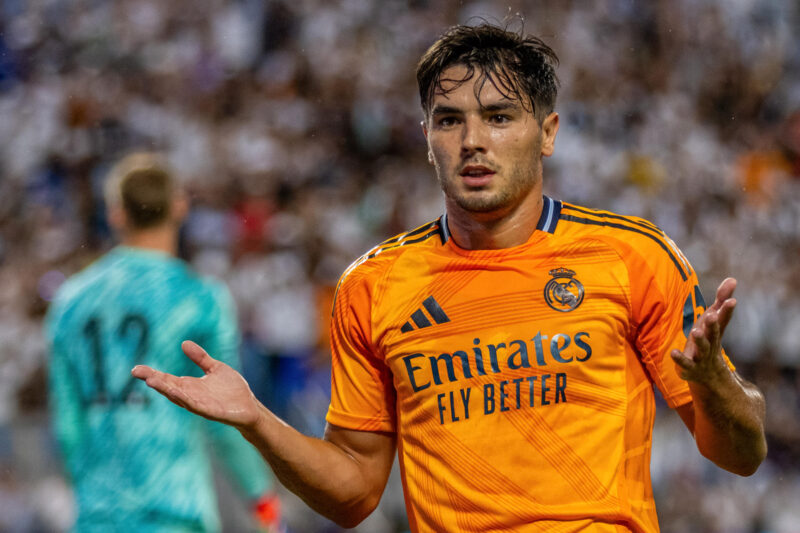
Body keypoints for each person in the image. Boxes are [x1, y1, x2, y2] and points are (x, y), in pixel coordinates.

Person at [132, 23, 767, 532]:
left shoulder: (632, 257)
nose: (472, 140)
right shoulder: (373, 287)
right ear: (426, 134)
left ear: (546, 133)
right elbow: (354, 493)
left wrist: (714, 386)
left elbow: (742, 453)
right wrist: (257, 421)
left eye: (498, 116)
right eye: (449, 119)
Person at [45, 152, 283, 532]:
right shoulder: (200, 298)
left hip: (99, 514)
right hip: (176, 509)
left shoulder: (70, 301)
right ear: (179, 206)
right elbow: (226, 415)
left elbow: (68, 425)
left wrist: (92, 489)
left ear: (116, 213)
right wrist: (261, 497)